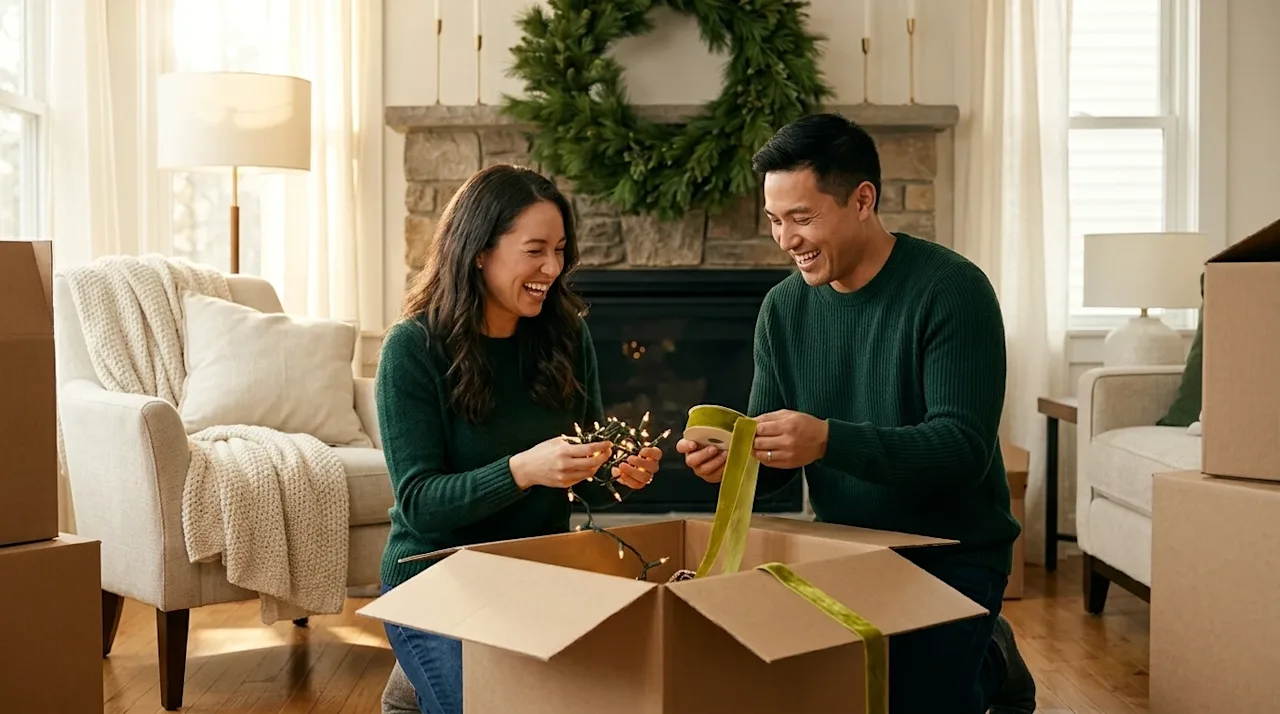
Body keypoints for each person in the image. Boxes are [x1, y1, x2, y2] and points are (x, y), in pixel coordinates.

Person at [676, 113, 1037, 714]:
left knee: (915, 702)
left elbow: (963, 450)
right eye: (774, 220)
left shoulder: (953, 289)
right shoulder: (782, 310)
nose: (785, 239)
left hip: (954, 554)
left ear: (863, 200)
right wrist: (734, 462)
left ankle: (990, 657)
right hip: (844, 552)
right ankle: (979, 658)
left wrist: (827, 441)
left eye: (802, 217)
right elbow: (779, 470)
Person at [375, 164, 664, 714]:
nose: (552, 268)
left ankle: (412, 690)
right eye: (535, 251)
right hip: (433, 579)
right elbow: (419, 504)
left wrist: (616, 473)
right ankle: (421, 672)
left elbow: (587, 483)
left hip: (535, 573)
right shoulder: (412, 349)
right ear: (479, 251)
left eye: (560, 250)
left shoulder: (567, 335)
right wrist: (522, 471)